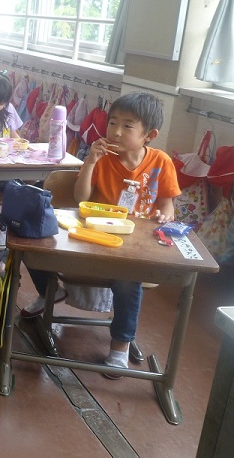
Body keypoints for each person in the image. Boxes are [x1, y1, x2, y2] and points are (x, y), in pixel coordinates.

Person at [21, 92, 180, 378]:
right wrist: (91, 162)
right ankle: (48, 292)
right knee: (30, 243)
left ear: (149, 135)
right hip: (93, 239)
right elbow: (80, 198)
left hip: (133, 246)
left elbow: (168, 204)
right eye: (112, 123)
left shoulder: (161, 161)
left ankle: (120, 345)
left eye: (127, 126)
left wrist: (166, 215)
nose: (115, 132)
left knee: (129, 279)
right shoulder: (102, 158)